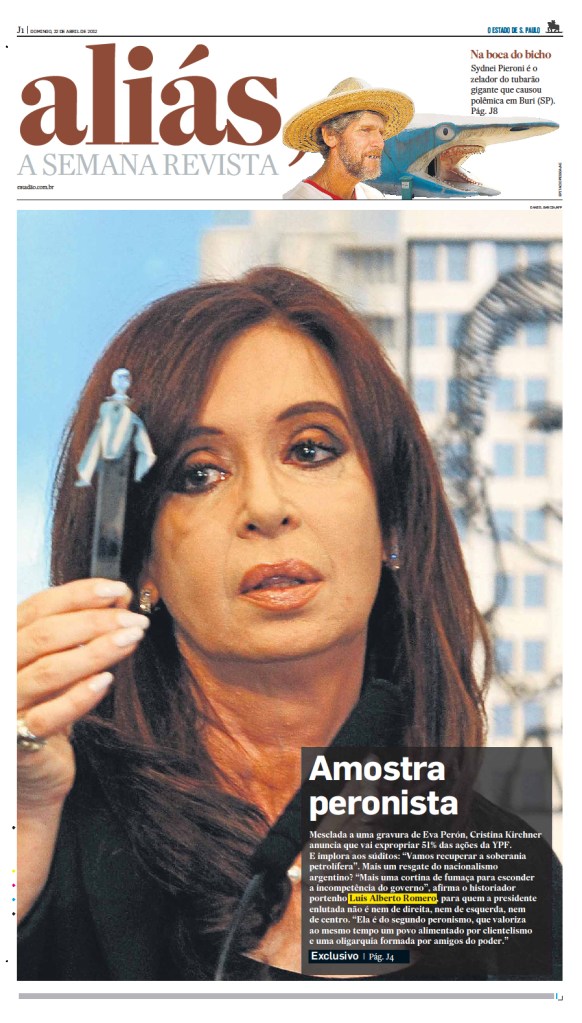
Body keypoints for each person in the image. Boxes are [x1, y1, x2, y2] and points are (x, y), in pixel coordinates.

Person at [17, 267, 555, 981]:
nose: (265, 507)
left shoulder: (508, 869)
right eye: (199, 473)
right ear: (142, 562)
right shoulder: (45, 808)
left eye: (309, 450)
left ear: (392, 519)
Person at [282, 78, 414, 200]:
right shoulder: (296, 205)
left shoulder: (373, 197)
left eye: (381, 133)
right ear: (330, 135)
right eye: (365, 130)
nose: (380, 143)